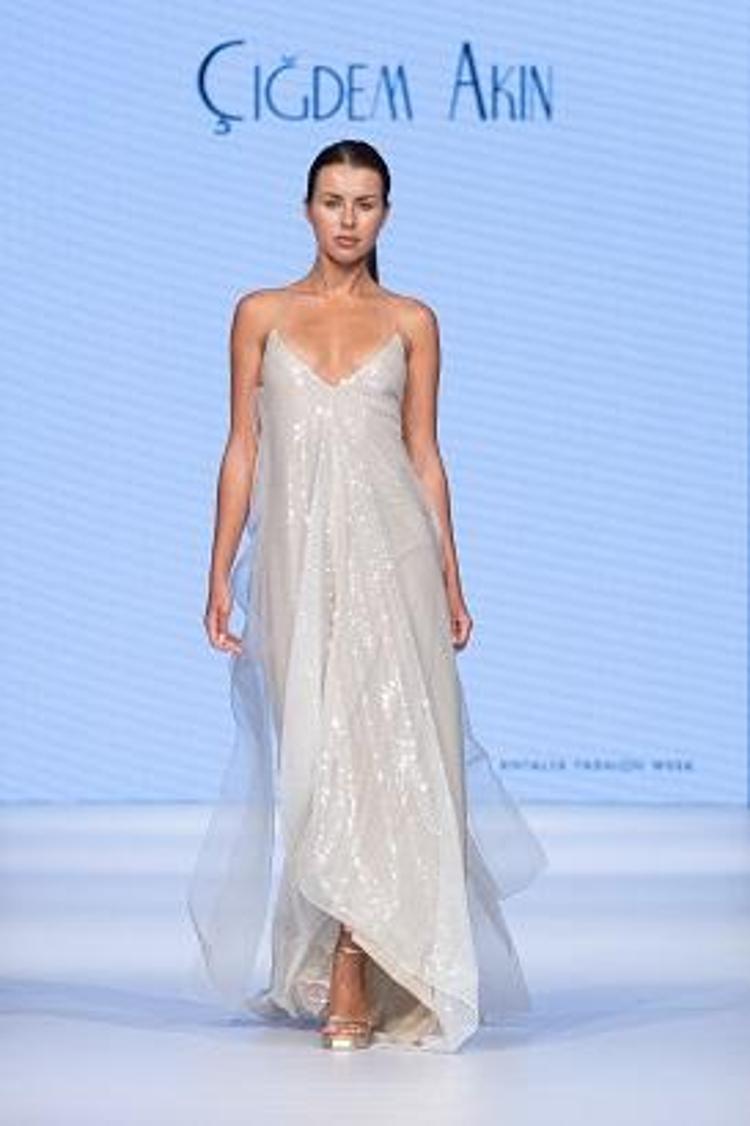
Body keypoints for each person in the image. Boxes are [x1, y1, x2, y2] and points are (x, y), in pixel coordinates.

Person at [187, 138, 548, 1053]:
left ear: (386, 214)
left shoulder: (413, 321)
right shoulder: (259, 313)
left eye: (365, 203)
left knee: (382, 752)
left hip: (394, 563)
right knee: (316, 761)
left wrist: (452, 574)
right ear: (305, 208)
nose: (348, 219)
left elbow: (425, 456)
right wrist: (218, 568)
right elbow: (241, 448)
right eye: (333, 200)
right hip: (295, 567)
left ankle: (354, 962)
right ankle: (351, 945)